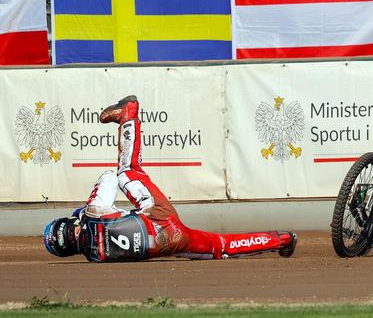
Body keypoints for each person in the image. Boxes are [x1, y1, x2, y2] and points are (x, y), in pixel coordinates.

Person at [44, 95, 297, 262]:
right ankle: (129, 114)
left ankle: (283, 239)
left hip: (170, 242)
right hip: (157, 215)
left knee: (221, 246)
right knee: (125, 172)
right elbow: (108, 178)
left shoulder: (95, 257)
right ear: (68, 226)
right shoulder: (92, 213)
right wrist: (84, 210)